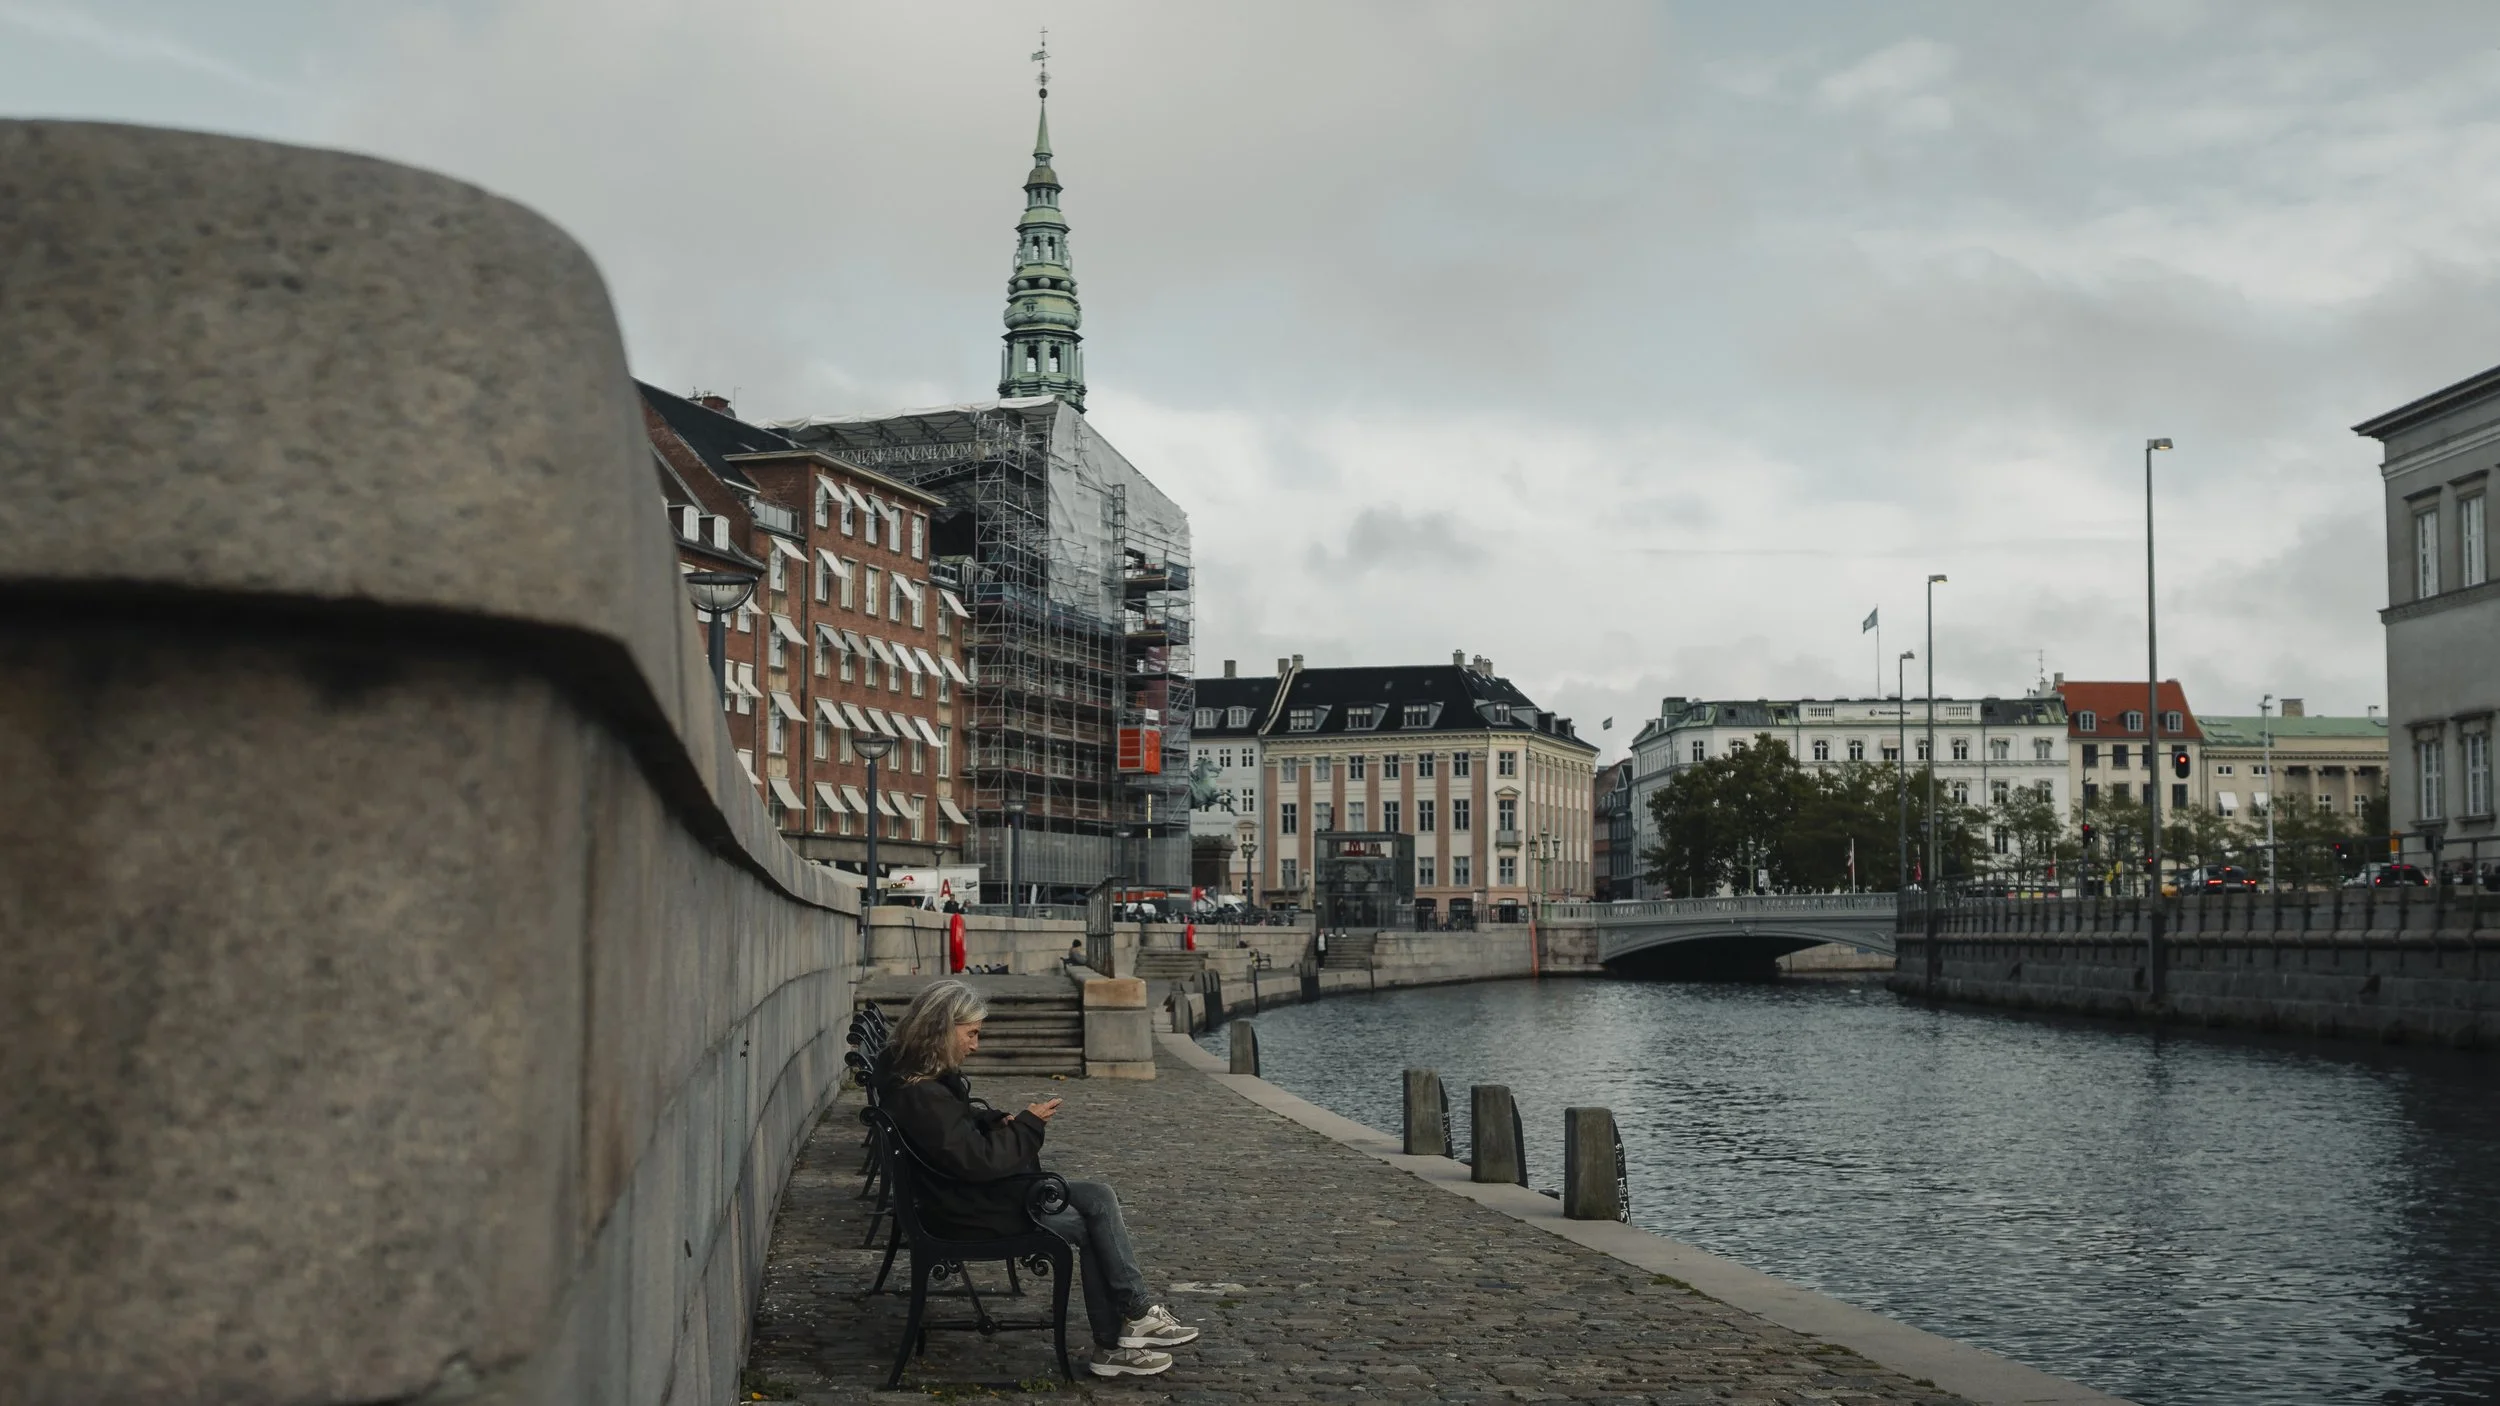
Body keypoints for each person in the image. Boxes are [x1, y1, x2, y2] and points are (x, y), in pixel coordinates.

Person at [876, 979, 1200, 1379]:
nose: (975, 1045)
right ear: (943, 1029)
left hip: (962, 1198)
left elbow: (951, 1134)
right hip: (970, 1211)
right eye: (971, 1034)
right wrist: (1028, 1126)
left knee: (1097, 1197)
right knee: (1090, 1216)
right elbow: (977, 1161)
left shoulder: (912, 1079)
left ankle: (1131, 1322)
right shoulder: (921, 1093)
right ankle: (1122, 1332)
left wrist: (994, 1119)